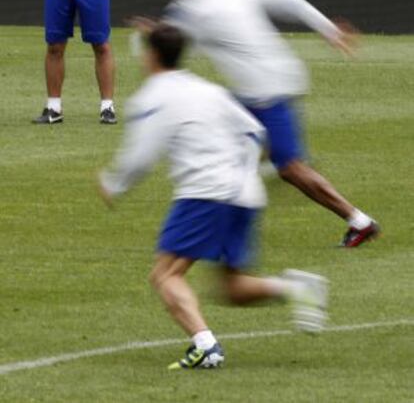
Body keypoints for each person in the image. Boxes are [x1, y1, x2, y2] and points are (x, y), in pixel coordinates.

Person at [99, 24, 328, 370]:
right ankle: (297, 288)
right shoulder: (208, 89)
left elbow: (140, 158)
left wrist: (113, 184)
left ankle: (205, 345)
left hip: (205, 194)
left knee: (165, 276)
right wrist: (243, 171)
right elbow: (256, 132)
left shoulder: (151, 97)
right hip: (245, 193)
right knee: (232, 287)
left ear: (151, 55)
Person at [158, 0, 380, 248]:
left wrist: (150, 32)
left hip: (263, 92)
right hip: (277, 80)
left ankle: (359, 221)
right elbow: (288, 0)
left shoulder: (189, 10)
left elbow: (167, 39)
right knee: (222, 138)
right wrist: (330, 30)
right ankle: (247, 179)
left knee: (290, 168)